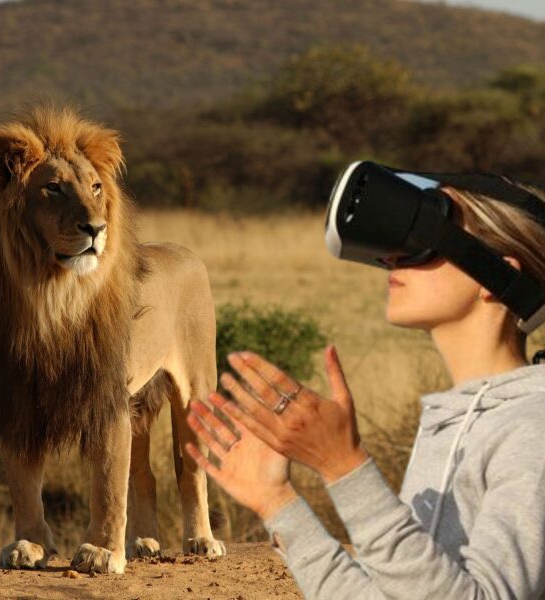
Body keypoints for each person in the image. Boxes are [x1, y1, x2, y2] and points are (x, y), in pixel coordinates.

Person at [186, 176, 545, 599]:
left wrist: (345, 468)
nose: (393, 258)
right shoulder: (451, 425)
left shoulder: (532, 430)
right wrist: (277, 502)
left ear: (494, 276)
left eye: (423, 238)